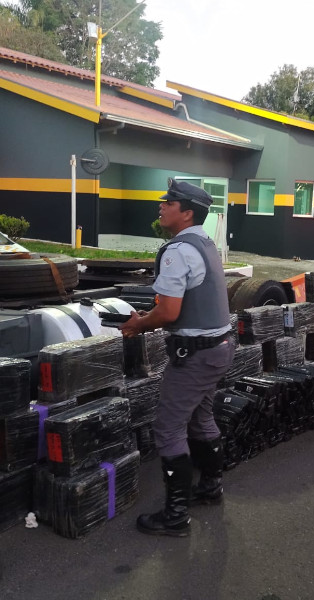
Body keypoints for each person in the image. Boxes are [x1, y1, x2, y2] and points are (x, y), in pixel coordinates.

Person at [120, 178, 234, 537]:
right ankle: (211, 487)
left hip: (195, 356)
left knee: (168, 429)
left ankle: (176, 516)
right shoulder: (205, 243)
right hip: (219, 349)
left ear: (186, 213)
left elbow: (168, 312)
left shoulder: (177, 250)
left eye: (169, 202)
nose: (162, 205)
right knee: (201, 420)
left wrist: (140, 324)